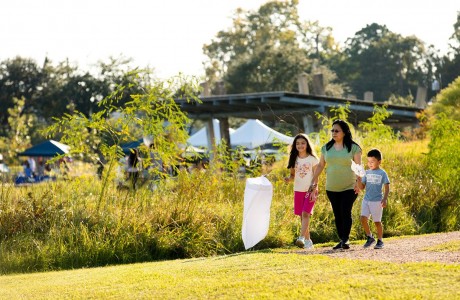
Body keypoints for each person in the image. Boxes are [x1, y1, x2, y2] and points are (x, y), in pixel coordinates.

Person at [311, 119, 362, 250]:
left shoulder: (354, 148)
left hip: (349, 186)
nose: (334, 133)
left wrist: (359, 183)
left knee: (345, 211)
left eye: (337, 130)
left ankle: (345, 239)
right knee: (337, 213)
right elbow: (321, 165)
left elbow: (358, 167)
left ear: (344, 132)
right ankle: (342, 239)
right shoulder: (326, 148)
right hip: (331, 187)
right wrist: (313, 180)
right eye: (332, 130)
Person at [285, 133, 319, 249]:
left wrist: (314, 189)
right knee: (302, 216)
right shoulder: (294, 159)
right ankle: (308, 241)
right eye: (298, 143)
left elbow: (316, 176)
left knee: (306, 214)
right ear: (295, 145)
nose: (300, 145)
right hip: (298, 190)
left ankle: (301, 238)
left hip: (310, 189)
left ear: (307, 144)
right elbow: (292, 175)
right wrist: (288, 179)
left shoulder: (313, 159)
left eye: (303, 143)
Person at [356, 149, 390, 249]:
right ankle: (370, 237)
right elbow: (362, 187)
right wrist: (358, 179)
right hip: (366, 200)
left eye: (372, 161)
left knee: (377, 222)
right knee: (363, 218)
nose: (370, 164)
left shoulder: (382, 173)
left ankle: (380, 241)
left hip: (377, 201)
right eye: (368, 161)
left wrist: (385, 199)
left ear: (379, 162)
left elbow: (387, 187)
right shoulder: (366, 173)